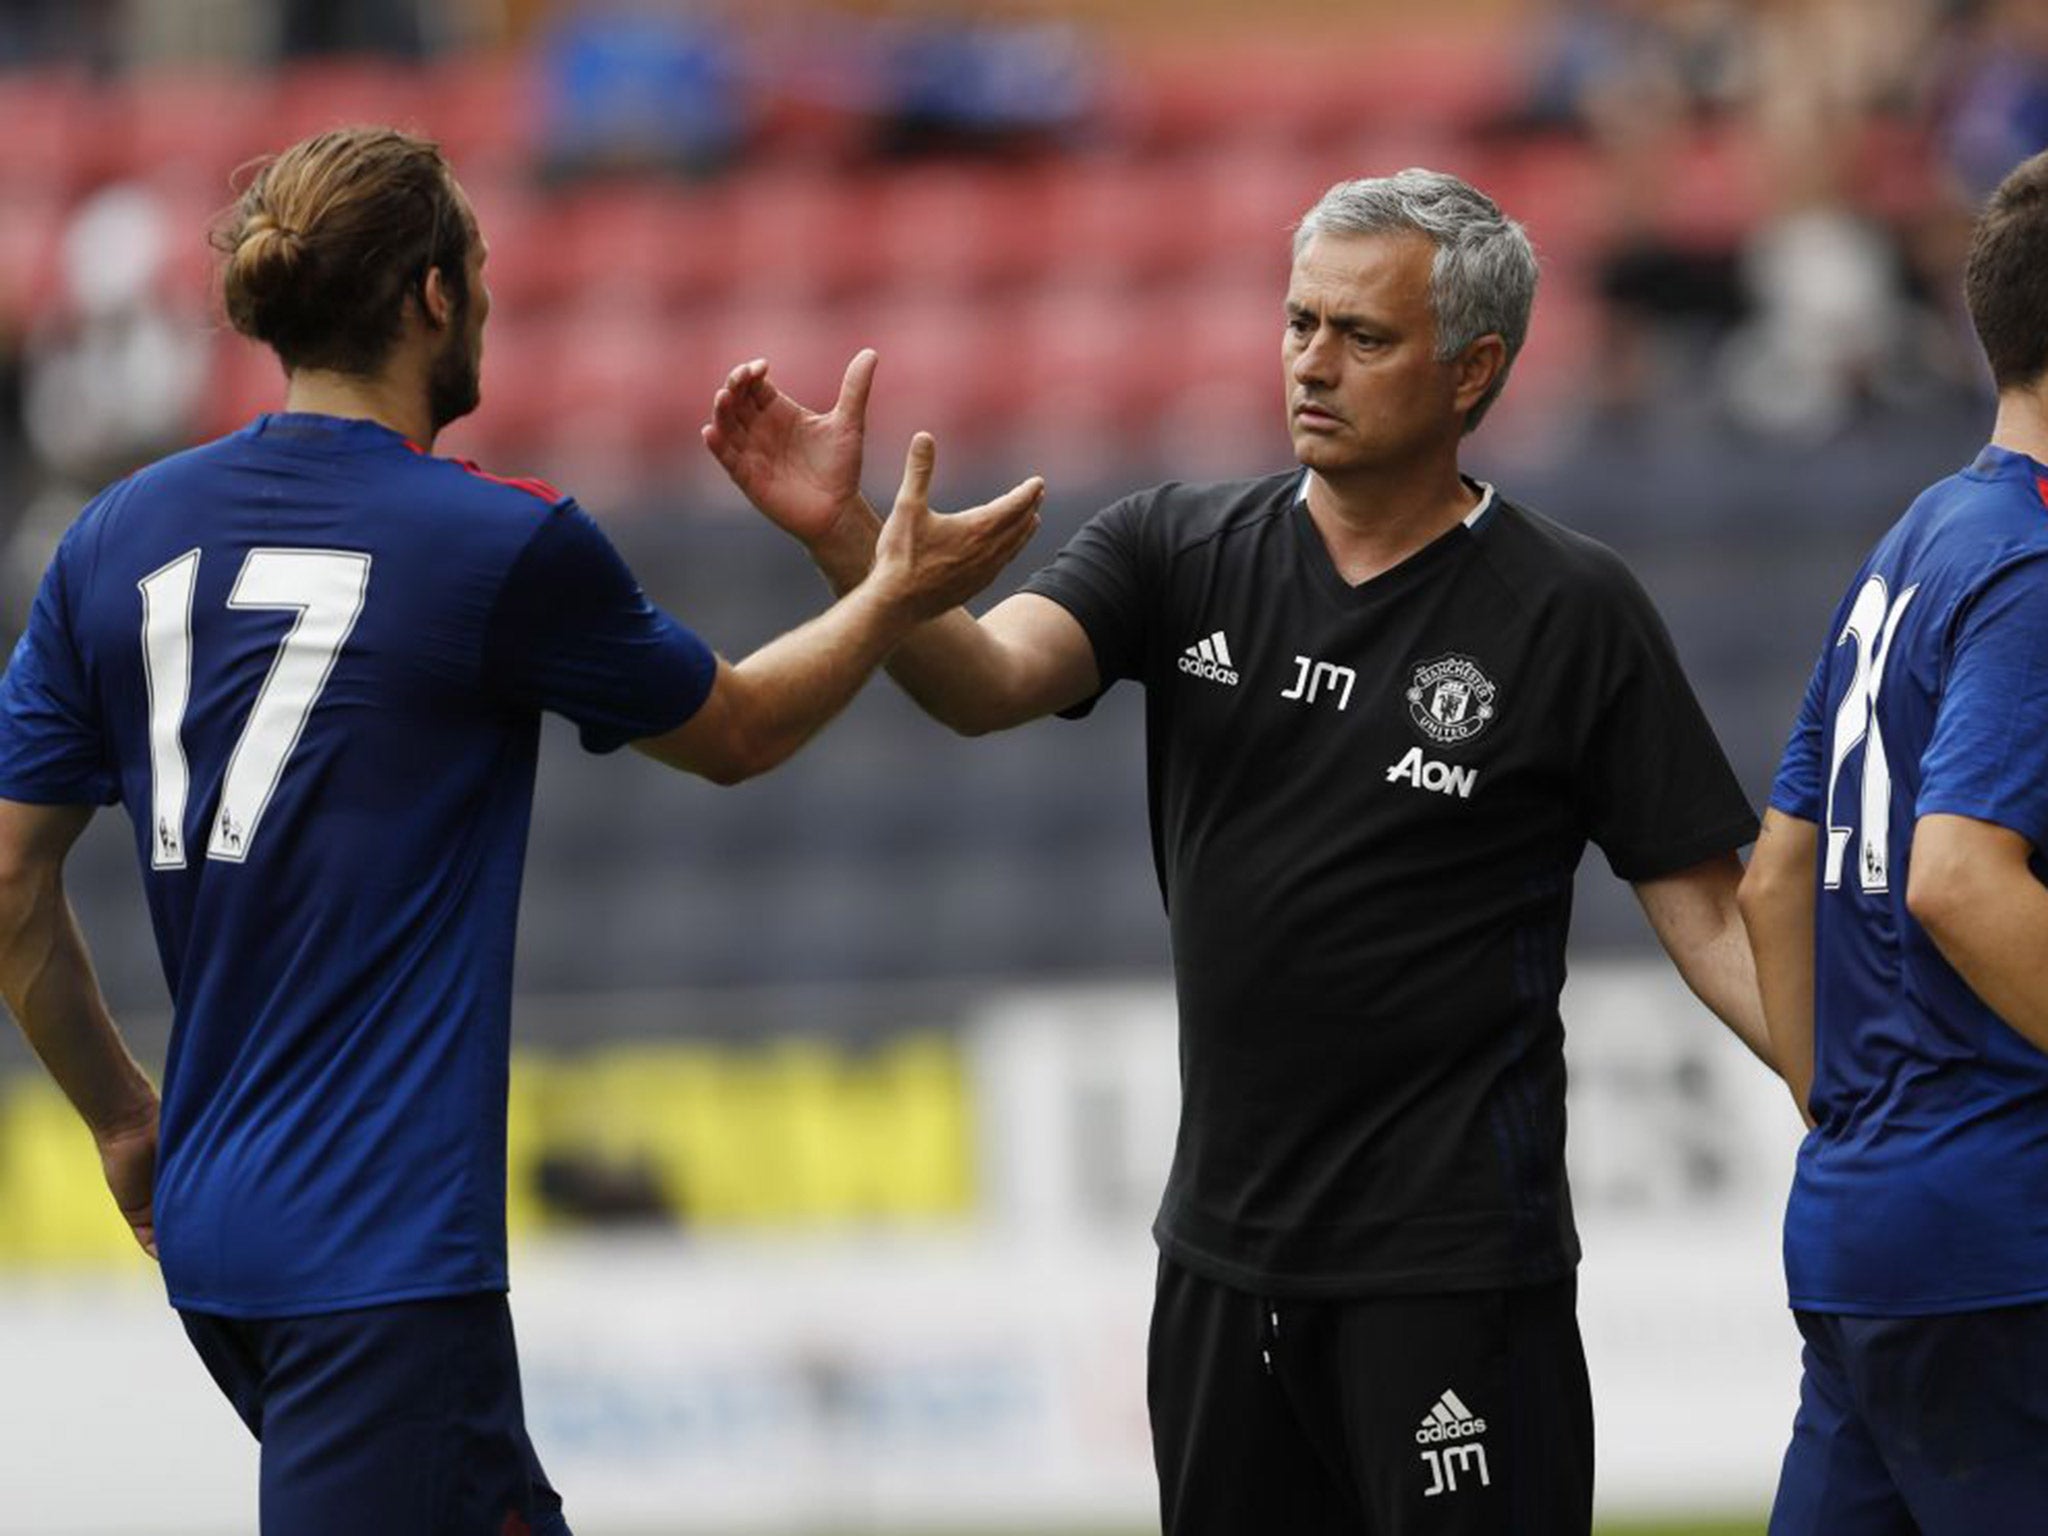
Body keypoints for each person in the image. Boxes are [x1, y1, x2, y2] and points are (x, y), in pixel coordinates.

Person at [0, 126, 1041, 1536]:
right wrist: (891, 586)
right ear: (432, 296)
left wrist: (128, 1118)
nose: (486, 299)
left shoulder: (112, 540)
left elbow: (12, 877)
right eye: (477, 270)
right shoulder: (493, 541)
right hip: (374, 1253)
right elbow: (735, 734)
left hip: (224, 1228)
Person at [707, 167, 1774, 1535]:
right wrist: (852, 545)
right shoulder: (1177, 547)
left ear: (1474, 370)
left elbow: (1711, 917)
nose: (1312, 364)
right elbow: (980, 683)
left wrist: (1854, 1094)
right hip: (1218, 1264)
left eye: (1362, 336)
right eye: (1298, 324)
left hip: (1449, 1275)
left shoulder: (1571, 612)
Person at [1738, 146, 2048, 1535]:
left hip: (1864, 1229)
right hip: (2009, 1242)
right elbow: (1959, 876)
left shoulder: (1921, 534)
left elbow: (1774, 876)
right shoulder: (2033, 563)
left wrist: (1857, 1123)